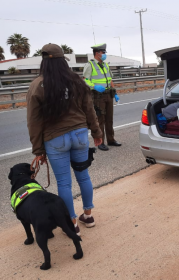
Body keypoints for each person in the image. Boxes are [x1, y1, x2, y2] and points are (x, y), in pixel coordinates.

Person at [26, 43, 103, 236]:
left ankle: (72, 223)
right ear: (63, 61)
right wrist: (97, 133)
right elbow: (89, 110)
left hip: (55, 139)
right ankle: (88, 215)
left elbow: (33, 121)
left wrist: (38, 150)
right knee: (83, 176)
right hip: (79, 135)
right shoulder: (77, 81)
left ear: (43, 62)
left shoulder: (37, 85)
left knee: (64, 183)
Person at [83, 43, 121, 151]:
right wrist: (94, 86)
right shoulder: (90, 65)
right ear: (97, 53)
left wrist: (115, 93)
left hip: (108, 94)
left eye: (104, 52)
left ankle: (111, 139)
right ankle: (100, 142)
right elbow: (85, 80)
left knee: (109, 118)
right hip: (98, 96)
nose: (104, 54)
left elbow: (110, 80)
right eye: (103, 52)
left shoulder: (105, 65)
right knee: (100, 119)